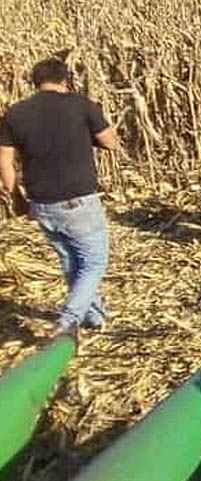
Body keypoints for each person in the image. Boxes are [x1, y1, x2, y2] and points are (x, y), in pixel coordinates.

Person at [0, 57, 119, 337]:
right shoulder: (81, 105)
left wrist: (16, 198)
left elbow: (4, 163)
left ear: (35, 82)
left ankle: (94, 316)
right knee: (93, 262)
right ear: (65, 80)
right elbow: (110, 143)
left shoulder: (14, 114)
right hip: (77, 201)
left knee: (70, 260)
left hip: (42, 204)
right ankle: (69, 320)